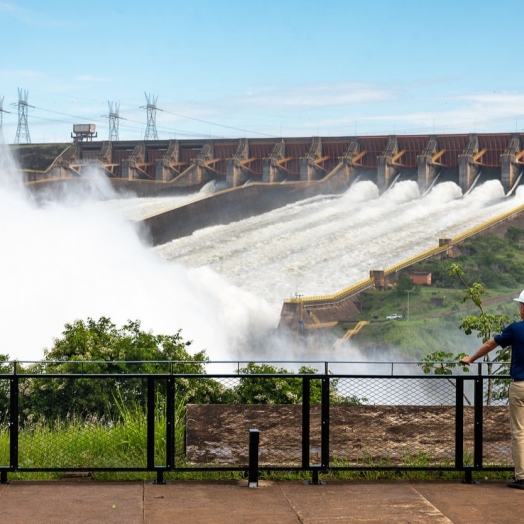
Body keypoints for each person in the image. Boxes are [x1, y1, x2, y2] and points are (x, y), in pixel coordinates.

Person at [459, 290, 524, 489]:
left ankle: (521, 477)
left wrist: (471, 359)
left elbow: (490, 345)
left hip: (520, 385)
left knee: (519, 432)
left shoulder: (516, 329)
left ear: (523, 308)